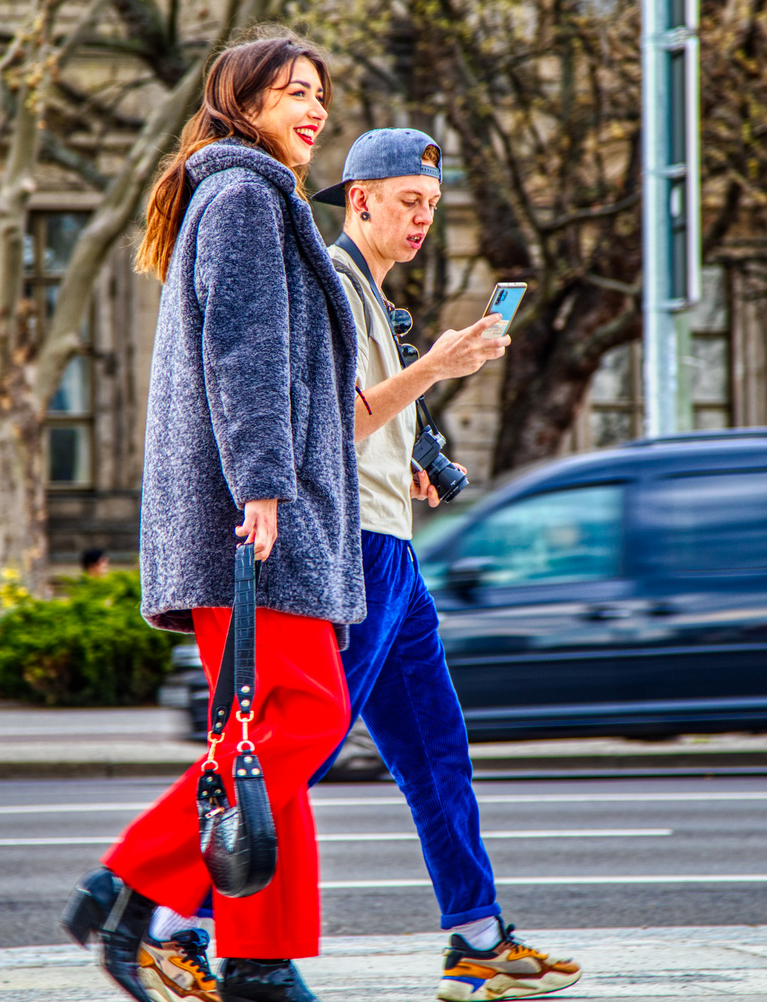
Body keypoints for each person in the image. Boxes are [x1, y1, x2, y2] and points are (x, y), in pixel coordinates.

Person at [142, 129, 583, 1002]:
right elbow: (327, 426)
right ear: (361, 200)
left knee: (437, 754)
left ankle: (477, 936)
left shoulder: (378, 302)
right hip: (352, 555)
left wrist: (412, 452)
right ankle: (165, 920)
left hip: (394, 549)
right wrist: (439, 366)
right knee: (284, 748)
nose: (421, 218)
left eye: (431, 204)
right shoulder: (333, 285)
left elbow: (365, 428)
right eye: (405, 200)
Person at [59, 32, 362, 1002]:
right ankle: (128, 885)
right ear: (241, 102)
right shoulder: (241, 198)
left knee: (263, 733)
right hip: (252, 514)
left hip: (258, 506)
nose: (311, 108)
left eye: (318, 93)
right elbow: (243, 355)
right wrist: (264, 486)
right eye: (290, 92)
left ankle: (260, 959)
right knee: (307, 713)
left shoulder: (251, 195)